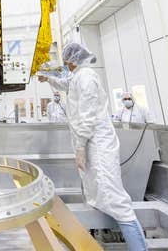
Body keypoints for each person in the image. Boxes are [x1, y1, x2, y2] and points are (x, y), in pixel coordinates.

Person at [39, 43, 147, 251]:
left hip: (97, 143)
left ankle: (138, 246)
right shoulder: (79, 75)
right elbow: (66, 84)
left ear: (72, 60)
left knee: (111, 194)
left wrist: (80, 147)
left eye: (67, 61)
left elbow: (87, 116)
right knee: (98, 191)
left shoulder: (86, 77)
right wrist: (48, 79)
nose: (66, 65)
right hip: (91, 142)